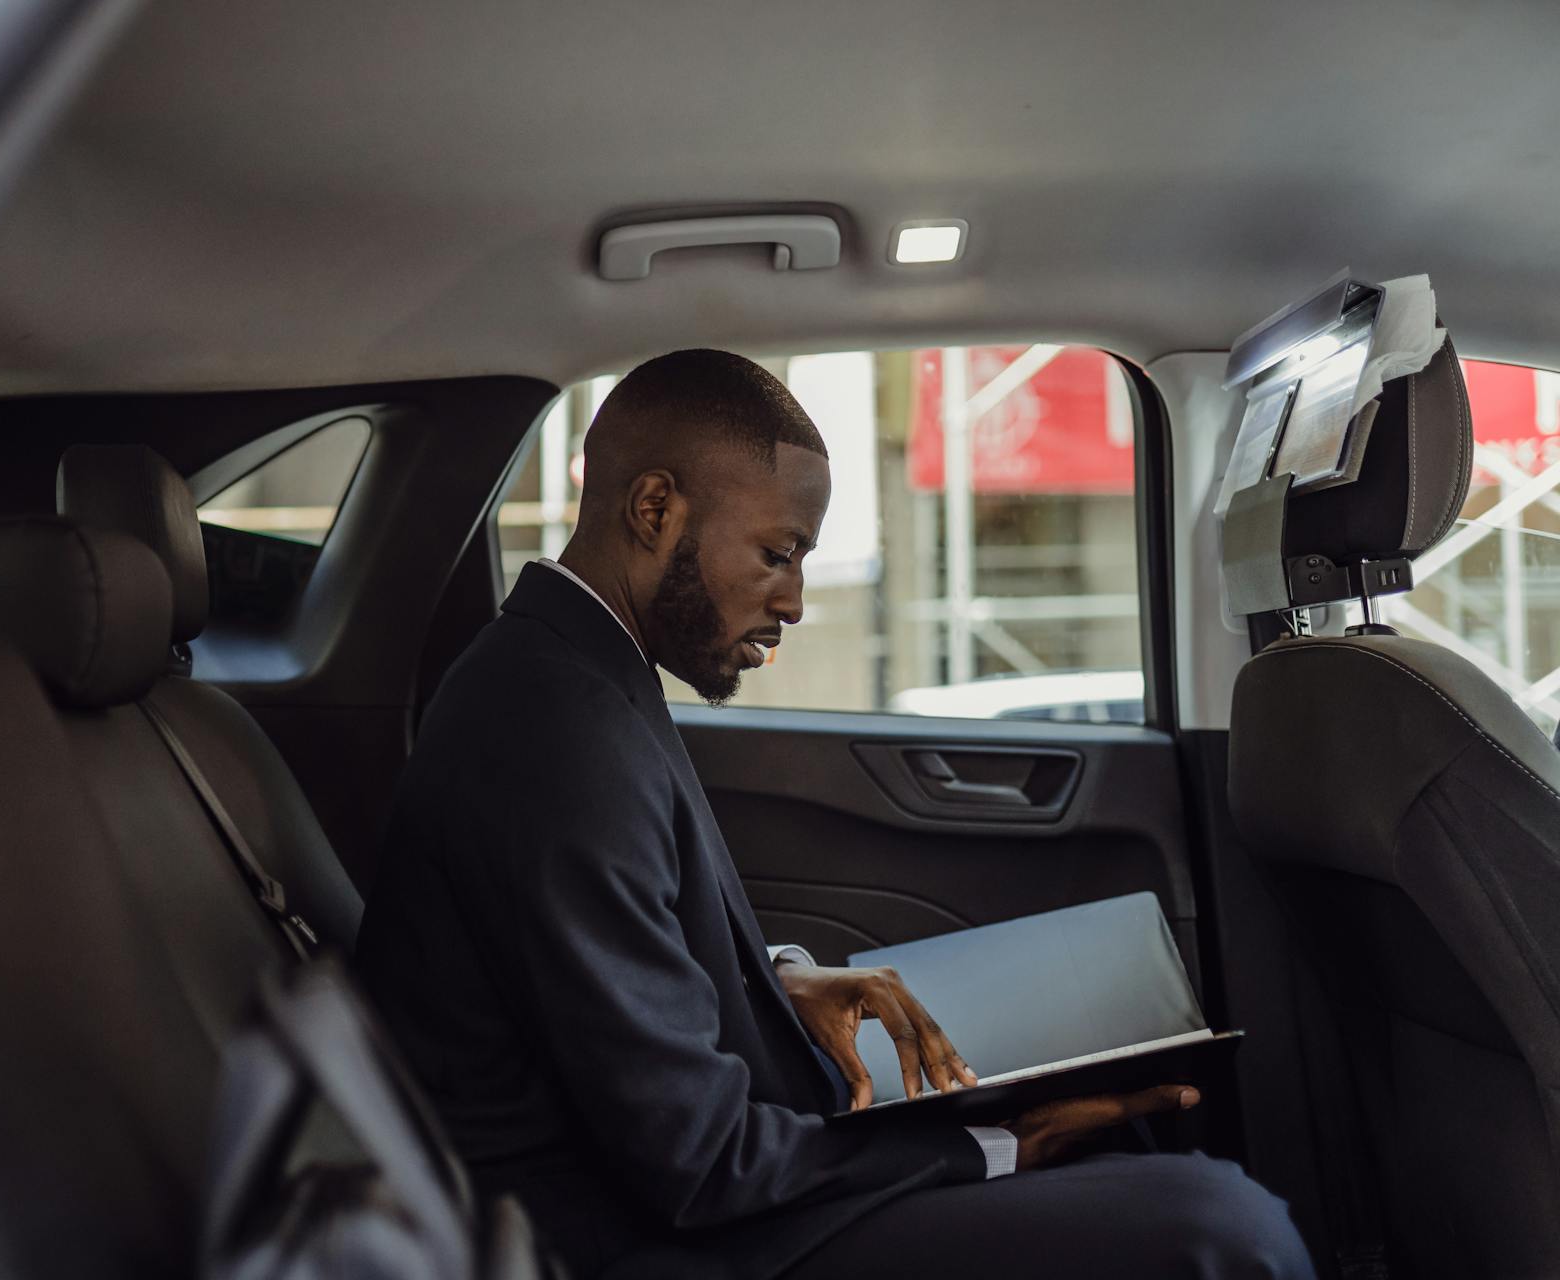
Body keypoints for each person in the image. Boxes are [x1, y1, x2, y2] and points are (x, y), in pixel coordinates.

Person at [355, 350, 1313, 1279]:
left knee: (1118, 1122)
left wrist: (777, 982)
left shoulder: (574, 675)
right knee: (1224, 1227)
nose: (797, 601)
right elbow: (702, 1168)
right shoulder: (553, 732)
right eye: (779, 554)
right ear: (655, 509)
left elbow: (627, 947)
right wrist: (993, 1146)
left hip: (652, 1191)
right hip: (625, 1238)